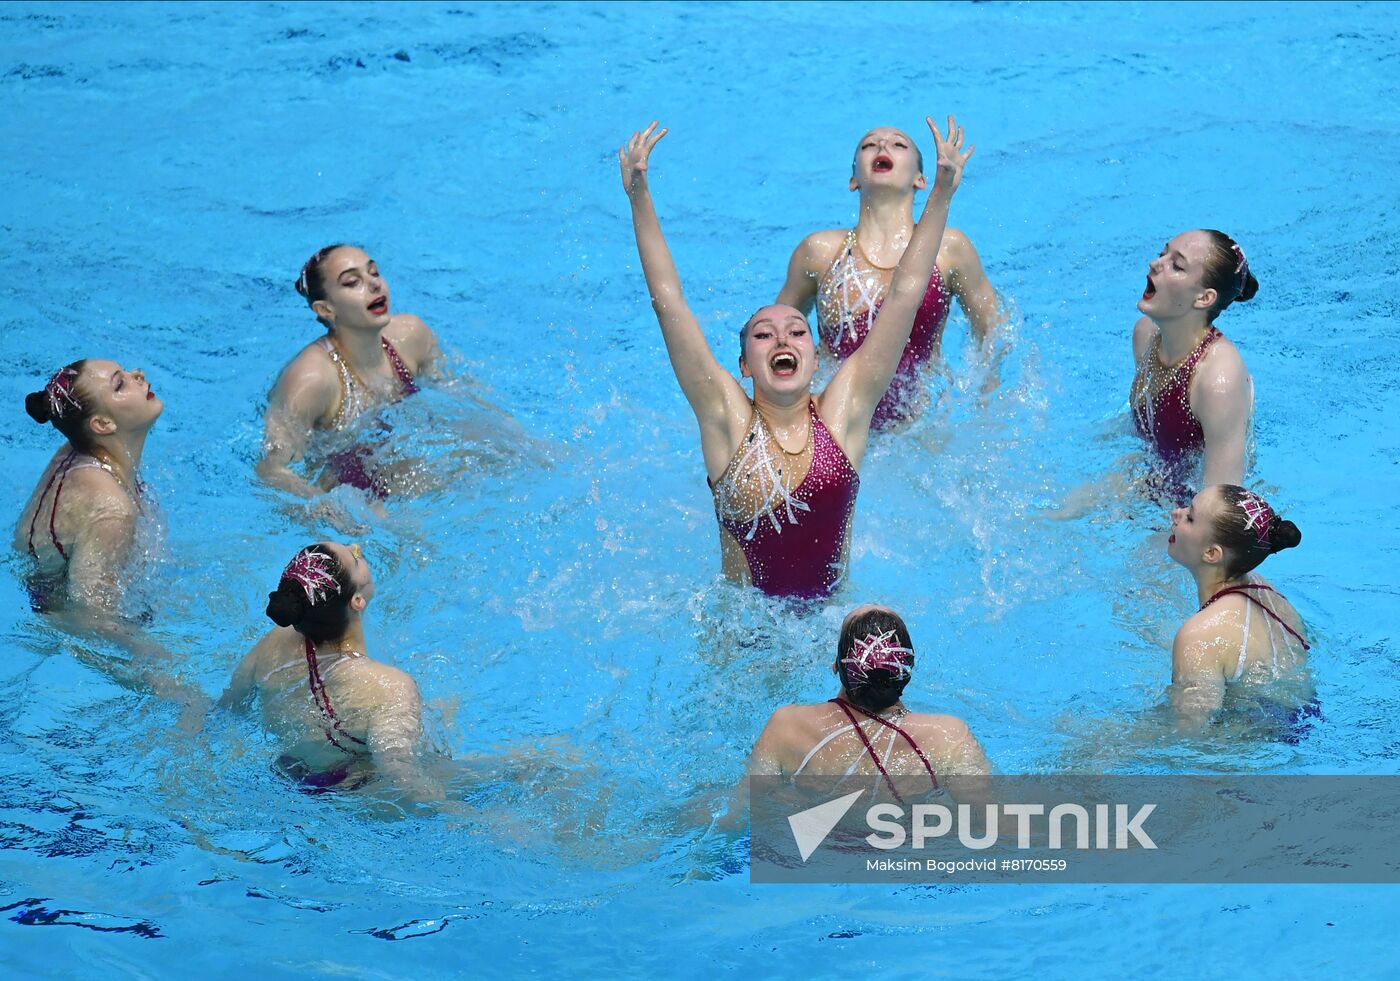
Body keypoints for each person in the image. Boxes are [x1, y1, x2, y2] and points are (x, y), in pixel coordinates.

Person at [619, 117, 972, 598]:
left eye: (797, 331)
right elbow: (668, 302)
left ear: (814, 354)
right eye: (764, 334)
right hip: (740, 636)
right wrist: (639, 196)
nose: (783, 339)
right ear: (744, 365)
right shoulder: (724, 418)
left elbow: (906, 294)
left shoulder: (844, 411)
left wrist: (942, 195)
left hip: (827, 634)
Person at [776, 125, 1003, 428]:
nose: (883, 145)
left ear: (921, 180)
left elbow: (993, 331)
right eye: (869, 144)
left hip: (920, 431)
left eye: (899, 144)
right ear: (854, 179)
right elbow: (775, 335)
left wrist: (985, 403)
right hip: (836, 423)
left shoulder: (949, 250)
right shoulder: (819, 252)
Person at [220, 542, 430, 794]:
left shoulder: (272, 644)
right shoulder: (390, 687)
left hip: (286, 778)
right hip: (355, 794)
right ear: (357, 601)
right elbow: (400, 776)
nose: (357, 547)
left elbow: (228, 710)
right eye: (354, 558)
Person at [746, 604, 991, 800]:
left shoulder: (787, 726)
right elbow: (989, 817)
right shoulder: (948, 736)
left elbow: (746, 810)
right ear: (906, 670)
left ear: (836, 666)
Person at [259, 246, 441, 497]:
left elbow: (456, 393)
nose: (375, 285)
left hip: (409, 471)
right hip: (349, 491)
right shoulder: (312, 379)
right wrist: (327, 510)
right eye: (352, 282)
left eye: (374, 273)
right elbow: (271, 470)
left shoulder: (412, 336)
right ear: (326, 310)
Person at [15, 360, 162, 612]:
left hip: (42, 582)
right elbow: (90, 613)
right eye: (120, 384)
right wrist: (149, 649)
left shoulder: (79, 447)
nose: (137, 374)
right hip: (61, 615)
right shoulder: (114, 511)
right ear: (103, 425)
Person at [1166, 485, 1316, 732]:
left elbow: (1188, 734)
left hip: (1254, 745)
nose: (1176, 513)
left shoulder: (1198, 637)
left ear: (1212, 553)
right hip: (1301, 721)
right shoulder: (1265, 589)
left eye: (1189, 518)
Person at [1131, 230, 1256, 489]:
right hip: (1152, 481)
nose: (1155, 263)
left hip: (1195, 510)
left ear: (1204, 298)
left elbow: (1221, 500)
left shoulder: (1217, 382)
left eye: (1176, 265)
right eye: (1161, 254)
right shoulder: (1146, 335)